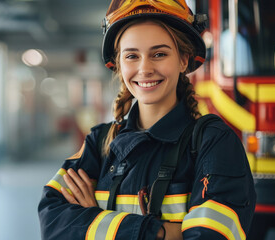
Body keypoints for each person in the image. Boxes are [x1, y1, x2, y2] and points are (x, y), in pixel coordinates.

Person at [38, 0, 256, 239]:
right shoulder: (98, 143)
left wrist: (94, 218)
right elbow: (53, 221)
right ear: (119, 64)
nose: (145, 68)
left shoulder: (214, 144)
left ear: (183, 60)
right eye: (132, 56)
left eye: (159, 54)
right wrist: (163, 232)